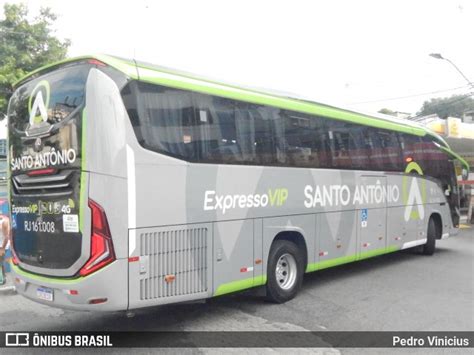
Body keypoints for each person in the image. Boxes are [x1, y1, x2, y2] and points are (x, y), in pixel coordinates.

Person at [0, 216, 11, 286]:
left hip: (2, 245)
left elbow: (7, 237)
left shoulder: (4, 221)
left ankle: (3, 279)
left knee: (0, 262)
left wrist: (2, 248)